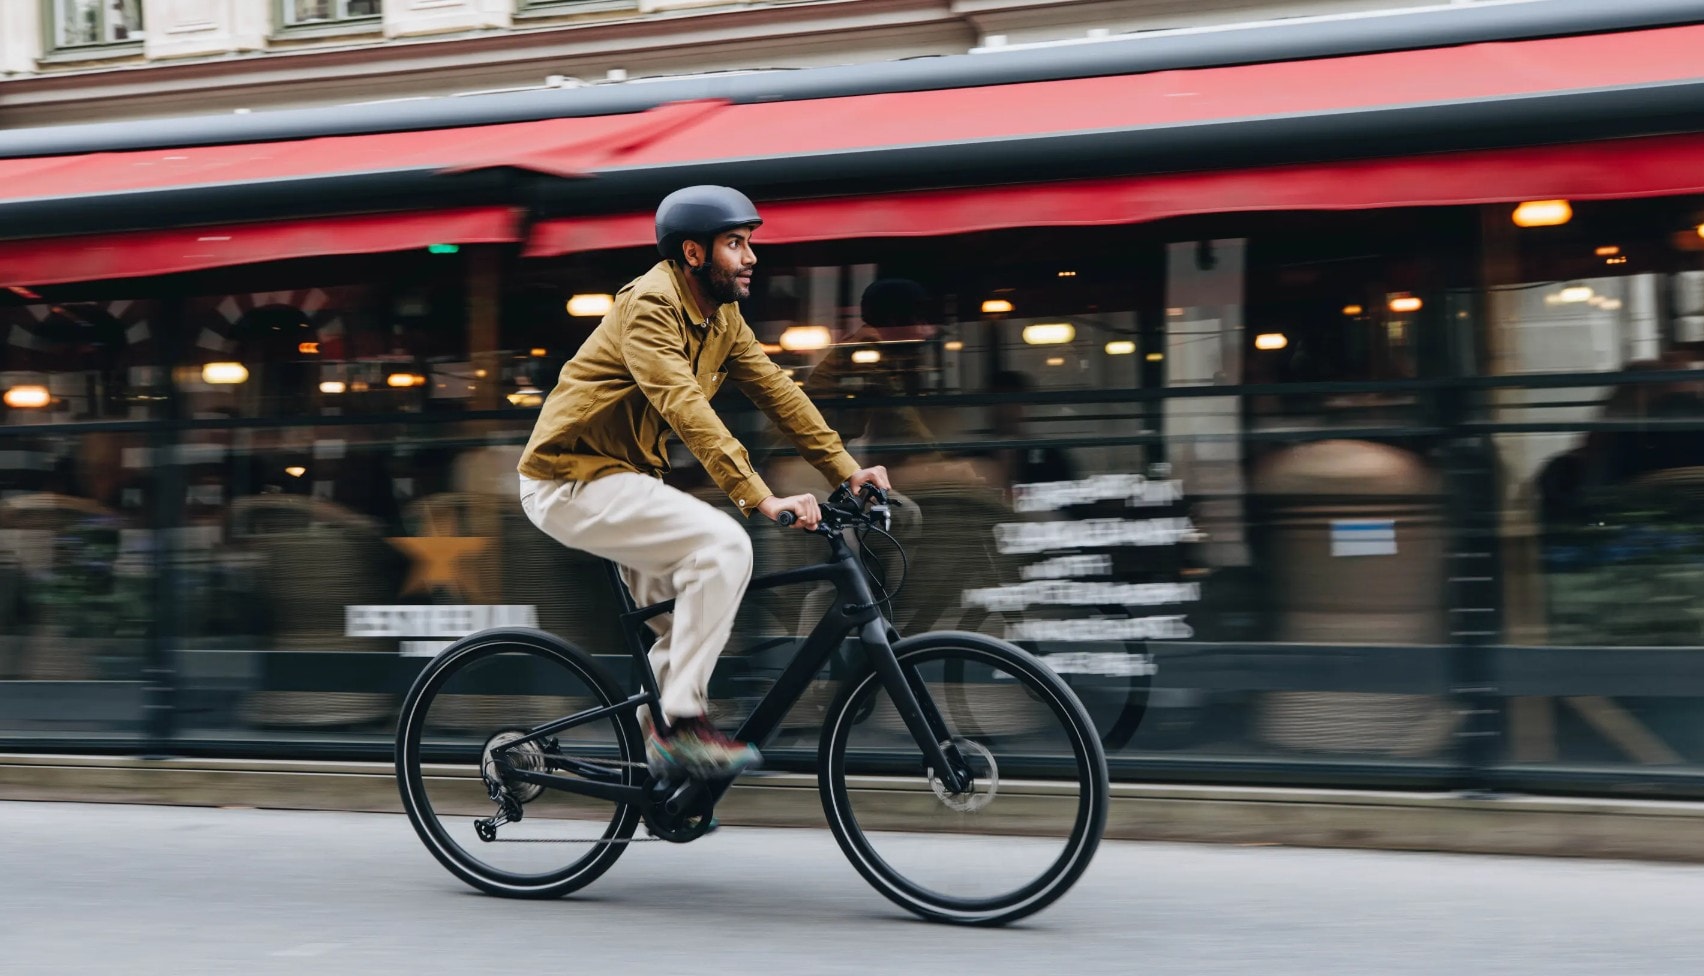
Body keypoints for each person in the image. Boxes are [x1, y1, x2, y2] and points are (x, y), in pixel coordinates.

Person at [516, 185, 890, 780]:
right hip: (570, 479)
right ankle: (682, 729)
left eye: (749, 244)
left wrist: (846, 470)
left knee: (676, 621)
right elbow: (685, 407)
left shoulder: (723, 318)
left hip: (626, 479)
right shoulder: (649, 306)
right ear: (693, 253)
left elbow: (778, 392)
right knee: (724, 545)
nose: (751, 258)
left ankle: (662, 779)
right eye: (735, 244)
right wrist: (759, 497)